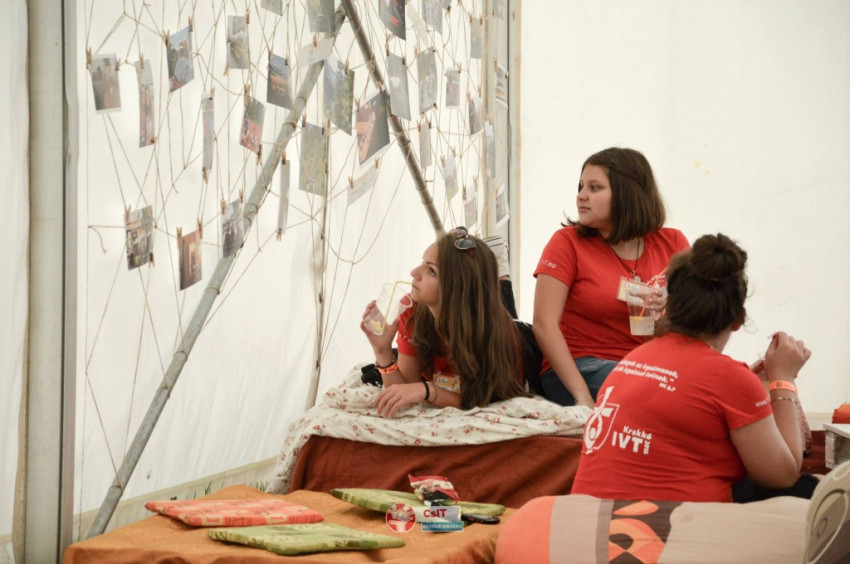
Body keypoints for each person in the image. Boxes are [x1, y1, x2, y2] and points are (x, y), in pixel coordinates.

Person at [571, 233, 813, 502]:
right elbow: (783, 474)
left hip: (589, 519)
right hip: (659, 525)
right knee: (806, 492)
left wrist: (750, 389)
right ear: (737, 320)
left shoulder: (635, 359)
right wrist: (783, 379)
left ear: (670, 307)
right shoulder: (729, 378)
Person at [532, 147, 690, 408]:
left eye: (594, 188)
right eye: (581, 186)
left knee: (713, 385)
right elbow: (543, 324)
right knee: (655, 387)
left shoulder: (673, 243)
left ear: (627, 194)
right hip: (581, 368)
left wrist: (669, 309)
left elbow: (698, 321)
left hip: (654, 365)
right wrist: (582, 396)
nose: (581, 196)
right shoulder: (566, 243)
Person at [361, 228, 529, 418]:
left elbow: (486, 402)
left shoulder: (495, 334)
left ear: (456, 288)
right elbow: (404, 393)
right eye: (422, 263)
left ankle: (501, 272)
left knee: (503, 302)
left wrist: (429, 390)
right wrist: (382, 351)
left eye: (431, 271)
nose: (414, 273)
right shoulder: (410, 311)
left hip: (508, 340)